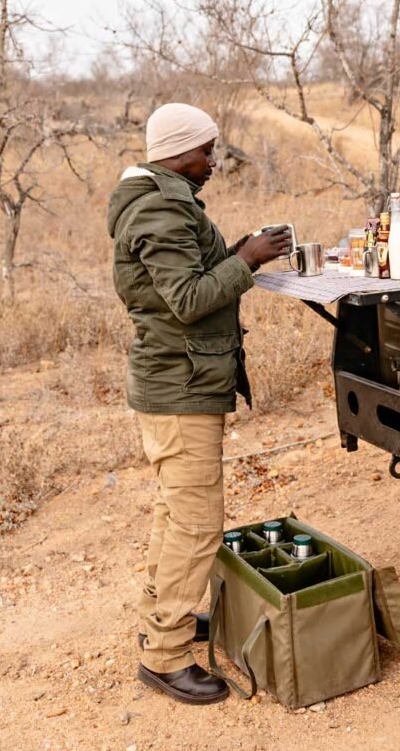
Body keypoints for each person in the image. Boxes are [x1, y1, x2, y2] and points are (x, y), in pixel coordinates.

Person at [107, 102, 291, 705]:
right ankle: (163, 657)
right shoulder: (160, 207)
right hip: (178, 389)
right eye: (204, 151)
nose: (212, 162)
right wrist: (247, 260)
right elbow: (187, 299)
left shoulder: (166, 198)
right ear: (175, 152)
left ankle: (169, 617)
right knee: (194, 523)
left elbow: (185, 280)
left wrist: (239, 249)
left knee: (173, 514)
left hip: (178, 382)